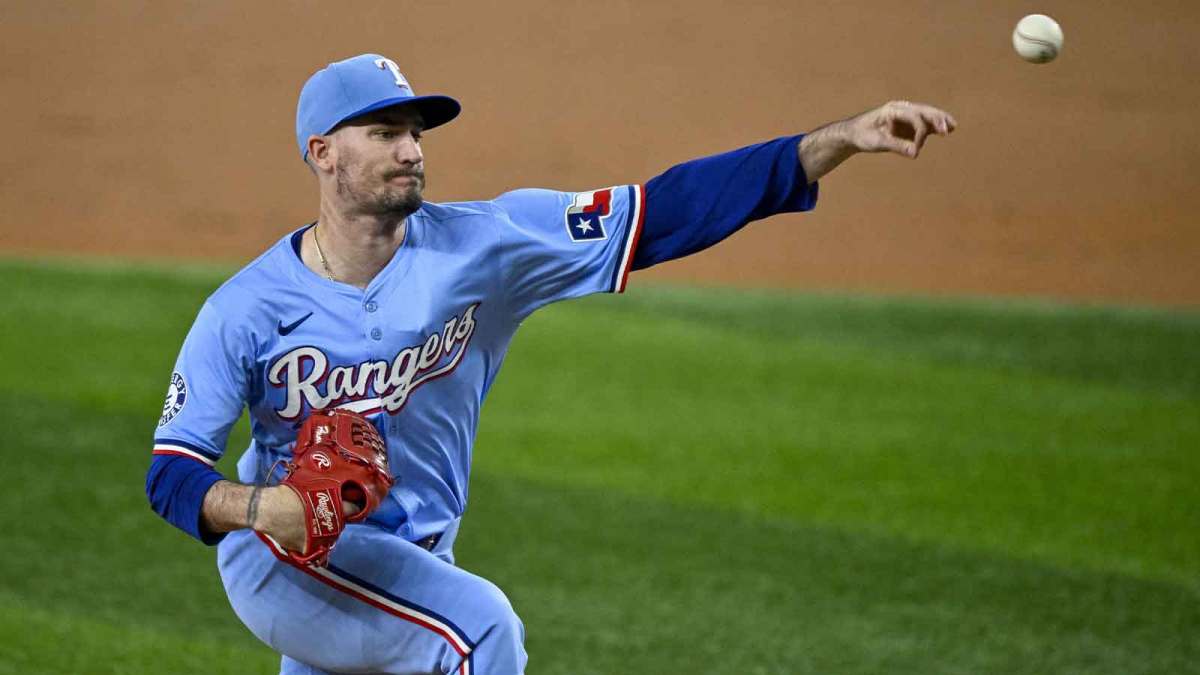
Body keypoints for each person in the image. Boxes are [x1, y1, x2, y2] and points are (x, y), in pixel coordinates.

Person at [145, 53, 956, 675]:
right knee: (478, 628)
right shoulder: (246, 309)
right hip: (288, 559)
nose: (411, 150)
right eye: (385, 132)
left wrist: (837, 141)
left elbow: (667, 209)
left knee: (435, 610)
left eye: (416, 132)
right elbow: (172, 473)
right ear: (322, 152)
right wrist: (263, 507)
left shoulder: (486, 246)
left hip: (405, 558)